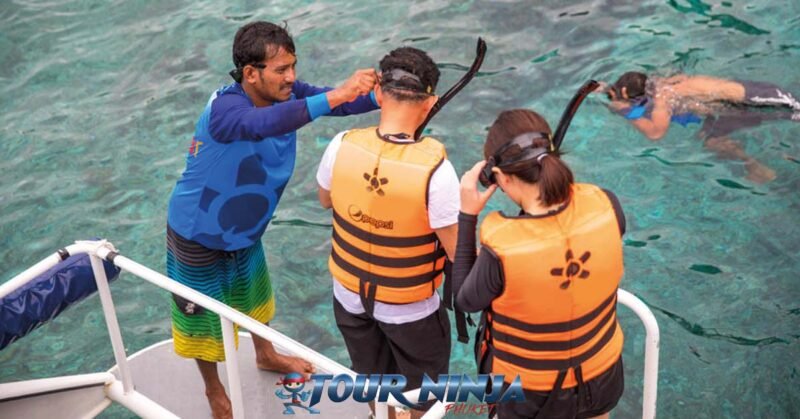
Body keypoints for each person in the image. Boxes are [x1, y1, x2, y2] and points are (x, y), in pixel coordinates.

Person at [166, 21, 379, 419]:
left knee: (255, 301)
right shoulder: (226, 111)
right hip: (198, 233)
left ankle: (265, 354)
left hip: (244, 230)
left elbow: (340, 104)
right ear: (251, 74)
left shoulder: (289, 94)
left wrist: (390, 95)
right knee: (205, 329)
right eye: (281, 70)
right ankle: (214, 391)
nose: (292, 77)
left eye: (292, 66)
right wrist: (338, 93)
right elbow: (263, 125)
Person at [316, 47, 460, 419]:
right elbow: (458, 253)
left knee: (373, 381)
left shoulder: (342, 144)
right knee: (424, 396)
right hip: (408, 308)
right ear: (429, 104)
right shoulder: (437, 171)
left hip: (349, 297)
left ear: (378, 93)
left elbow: (325, 200)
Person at [454, 109, 626, 419]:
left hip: (532, 396)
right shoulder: (607, 204)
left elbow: (464, 300)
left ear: (501, 177)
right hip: (602, 377)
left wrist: (467, 216)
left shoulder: (502, 247)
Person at [602, 71, 800, 182]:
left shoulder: (663, 100)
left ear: (626, 93)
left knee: (793, 110)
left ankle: (758, 167)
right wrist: (606, 89)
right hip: (743, 98)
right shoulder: (662, 83)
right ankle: (756, 167)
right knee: (711, 141)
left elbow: (655, 133)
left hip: (750, 102)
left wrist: (623, 110)